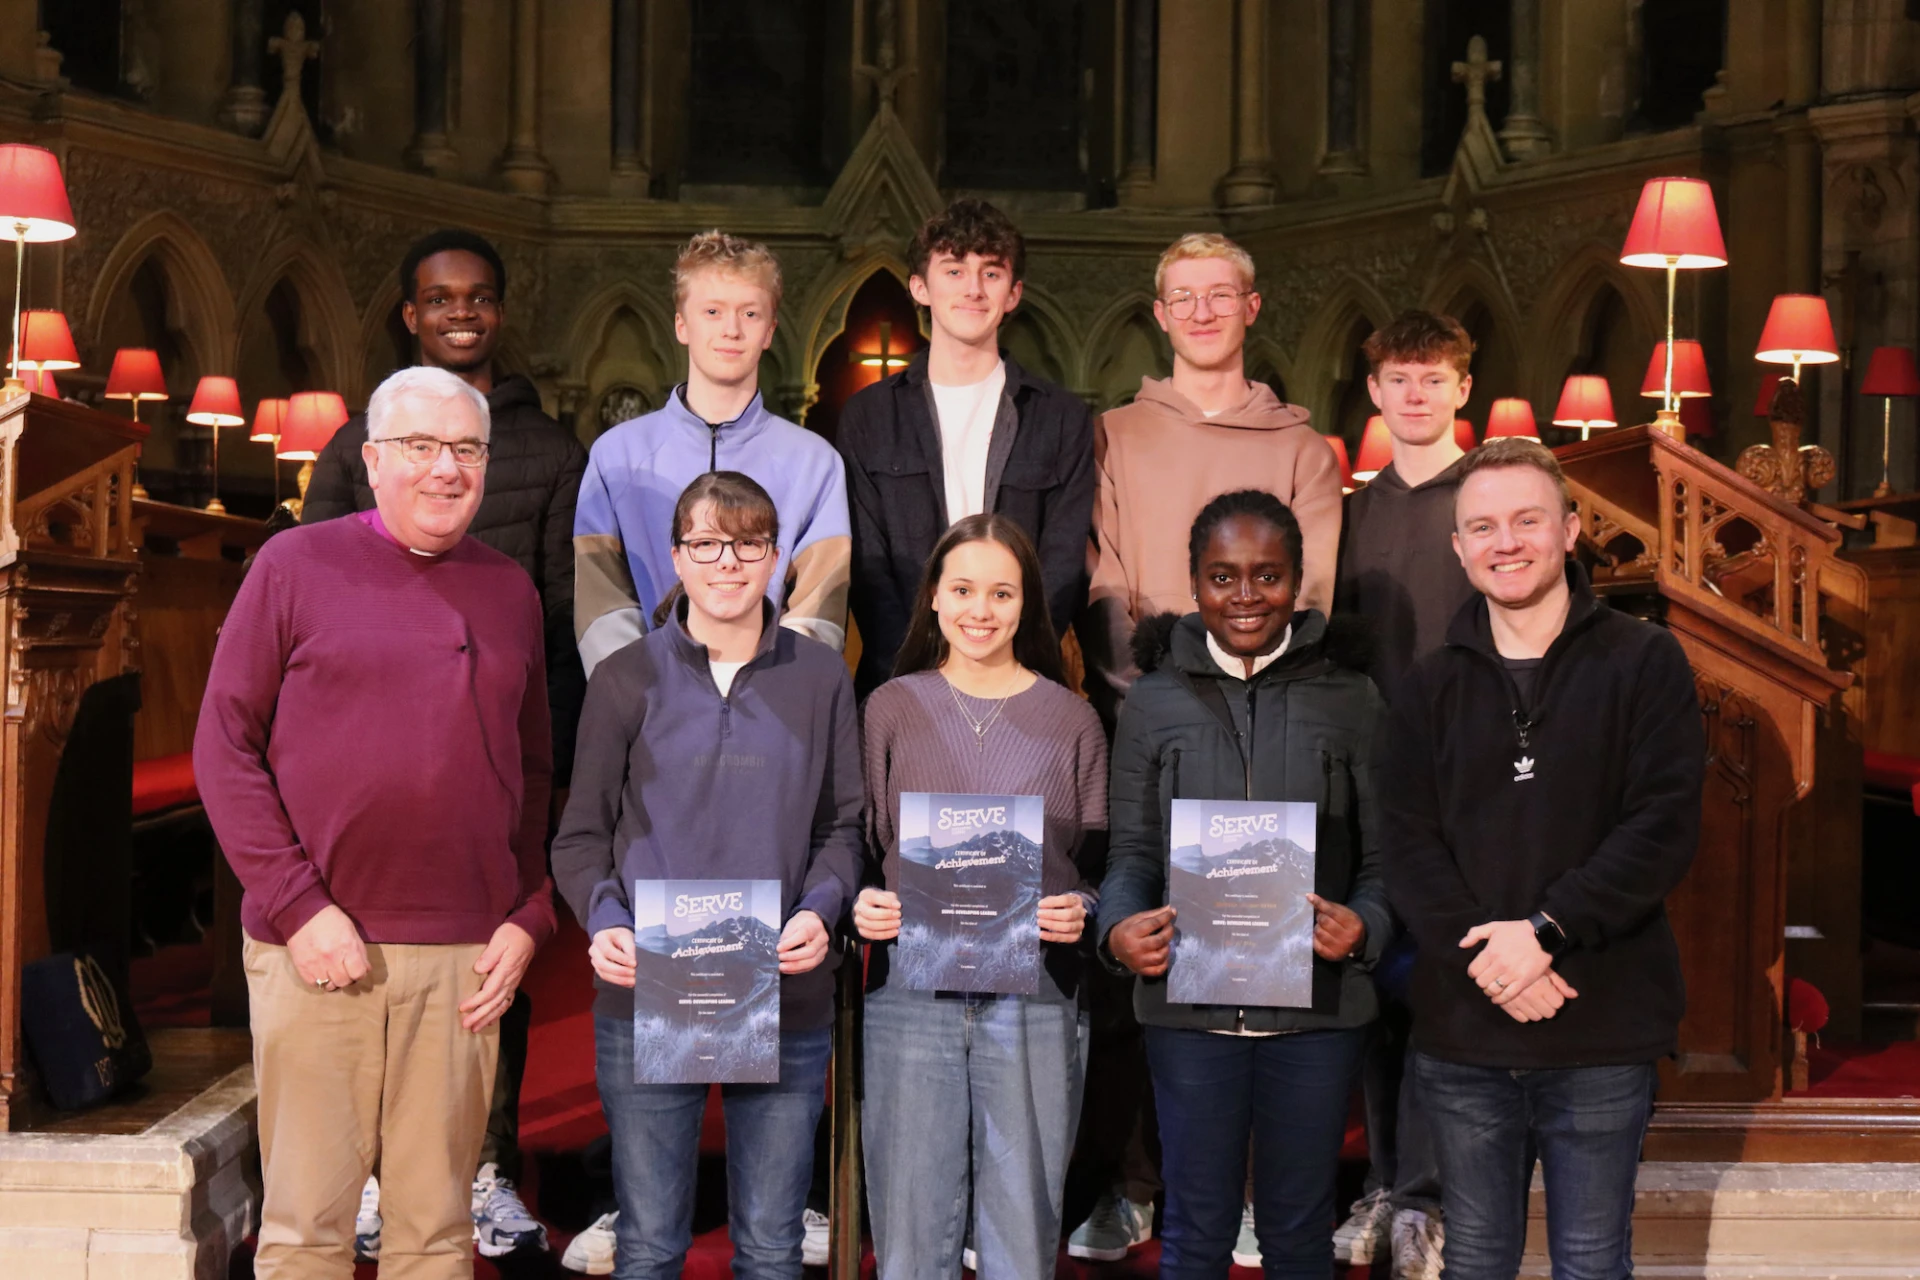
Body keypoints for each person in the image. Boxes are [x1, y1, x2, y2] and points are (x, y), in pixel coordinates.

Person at [195, 366, 556, 1279]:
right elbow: (223, 747)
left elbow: (533, 768)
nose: (447, 470)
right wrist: (298, 907)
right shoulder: (293, 565)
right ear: (374, 459)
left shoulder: (511, 589)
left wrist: (526, 913)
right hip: (318, 945)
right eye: (422, 448)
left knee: (435, 1235)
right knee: (307, 1229)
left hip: (463, 961)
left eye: (467, 450)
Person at [299, 229, 585, 1262]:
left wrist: (541, 790)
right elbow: (310, 579)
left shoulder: (549, 449)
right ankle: (374, 1172)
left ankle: (488, 1161)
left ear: (499, 311)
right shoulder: (353, 446)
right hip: (371, 759)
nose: (460, 311)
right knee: (365, 978)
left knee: (488, 983)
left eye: (478, 296)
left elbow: (561, 620)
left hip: (491, 757)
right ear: (409, 313)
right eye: (438, 297)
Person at [1379, 439, 1704, 1280]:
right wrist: (1494, 961)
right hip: (1467, 1026)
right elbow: (1409, 847)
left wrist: (1545, 931)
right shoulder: (1426, 687)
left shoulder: (1645, 660)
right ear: (1458, 547)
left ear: (1571, 528)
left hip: (1603, 1019)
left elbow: (1661, 826)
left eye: (1527, 519)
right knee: (1477, 1258)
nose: (1506, 542)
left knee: (1592, 1261)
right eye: (1482, 526)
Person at [552, 471, 863, 1280]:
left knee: (770, 1247)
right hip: (648, 990)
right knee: (651, 1244)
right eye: (707, 545)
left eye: (749, 544)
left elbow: (844, 827)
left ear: (777, 558)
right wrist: (605, 917)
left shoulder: (822, 678)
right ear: (676, 558)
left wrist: (821, 910)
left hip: (786, 992)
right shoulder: (625, 678)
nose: (728, 563)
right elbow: (579, 838)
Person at [1097, 490, 1391, 1279]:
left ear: (1298, 582)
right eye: (1222, 577)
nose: (1246, 596)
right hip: (1189, 1012)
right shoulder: (1152, 701)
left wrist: (1363, 925)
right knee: (1195, 1233)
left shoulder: (1352, 696)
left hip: (1318, 1014)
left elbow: (1387, 860)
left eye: (1267, 576)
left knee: (1298, 1235)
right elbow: (1129, 855)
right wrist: (1119, 933)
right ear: (1193, 583)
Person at [853, 514, 1108, 1280]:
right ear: (933, 596)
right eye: (962, 589)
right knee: (908, 1231)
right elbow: (864, 847)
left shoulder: (1074, 720)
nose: (980, 610)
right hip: (911, 993)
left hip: (1032, 996)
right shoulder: (890, 708)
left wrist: (1084, 910)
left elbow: (1099, 867)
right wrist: (864, 906)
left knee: (1022, 1229)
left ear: (1027, 603)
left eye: (1002, 592)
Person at [1329, 310, 1479, 1280]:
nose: (1415, 394)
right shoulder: (1357, 508)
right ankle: (1383, 1178)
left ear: (1464, 386)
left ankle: (1429, 1195)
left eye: (1433, 377)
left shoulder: (1492, 496)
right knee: (1376, 986)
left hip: (1467, 783)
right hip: (1373, 778)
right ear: (1376, 391)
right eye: (1398, 379)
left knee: (1442, 989)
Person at [1082, 232, 1344, 726]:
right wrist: (1145, 694)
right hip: (1141, 710)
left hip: (1264, 714)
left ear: (1251, 306)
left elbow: (1310, 594)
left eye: (1221, 295)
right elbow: (1103, 583)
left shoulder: (1303, 451)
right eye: (1183, 299)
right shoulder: (1111, 437)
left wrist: (1253, 702)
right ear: (1161, 316)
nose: (1202, 314)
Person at [838, 198, 1095, 698]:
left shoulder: (1060, 418)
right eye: (954, 270)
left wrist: (1008, 671)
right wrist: (922, 674)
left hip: (1024, 683)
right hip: (900, 685)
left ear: (1014, 292)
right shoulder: (869, 417)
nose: (973, 289)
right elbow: (869, 568)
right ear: (920, 287)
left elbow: (1061, 567)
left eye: (991, 273)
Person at [574, 230, 850, 677]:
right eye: (712, 311)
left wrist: (770, 694)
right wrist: (643, 696)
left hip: (772, 713)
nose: (731, 329)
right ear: (682, 325)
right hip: (647, 712)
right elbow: (601, 599)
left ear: (770, 330)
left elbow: (819, 607)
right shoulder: (616, 457)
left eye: (750, 313)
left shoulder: (815, 464)